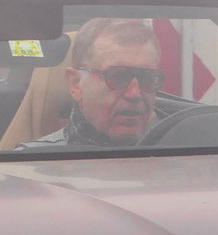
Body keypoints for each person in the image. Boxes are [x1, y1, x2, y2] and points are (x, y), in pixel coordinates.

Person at [23, 18, 164, 148]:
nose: (134, 94)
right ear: (76, 84)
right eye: (117, 77)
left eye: (147, 78)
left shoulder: (174, 150)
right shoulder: (32, 161)